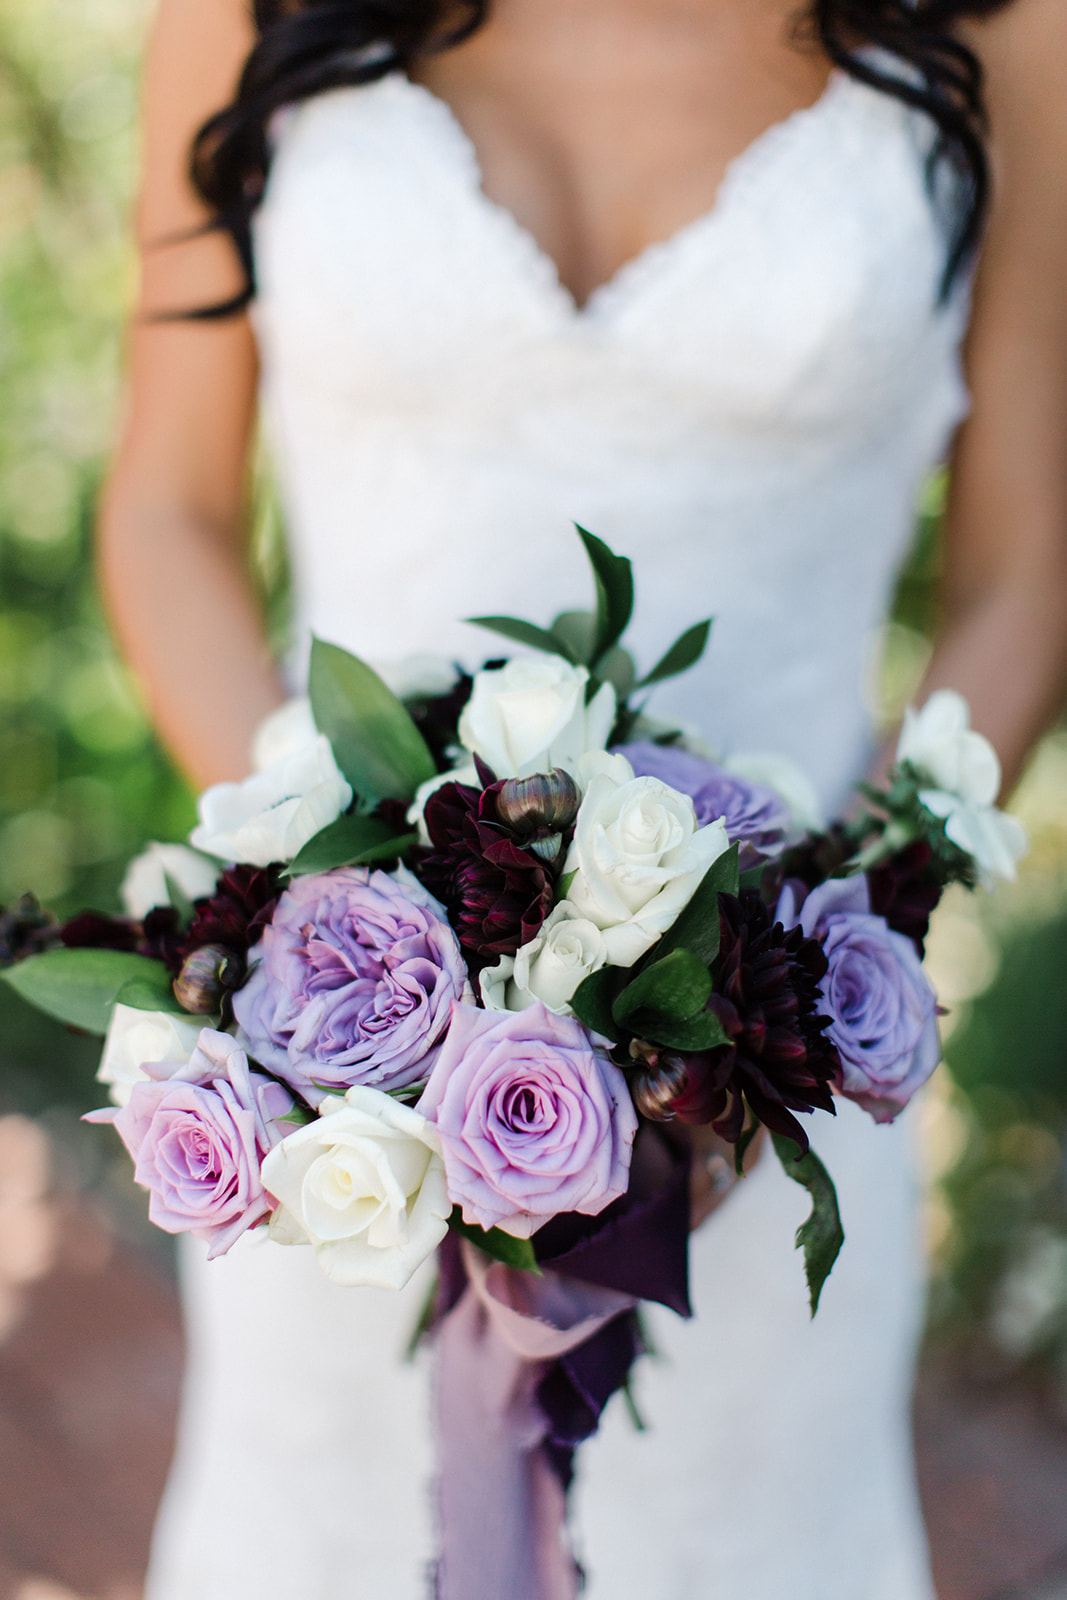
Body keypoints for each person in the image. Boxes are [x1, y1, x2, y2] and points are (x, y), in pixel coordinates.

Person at [99, 1, 1067, 1596]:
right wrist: (329, 932)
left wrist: (798, 993)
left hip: (776, 1110)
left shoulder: (997, 29)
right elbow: (165, 513)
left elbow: (1023, 580)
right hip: (332, 1095)